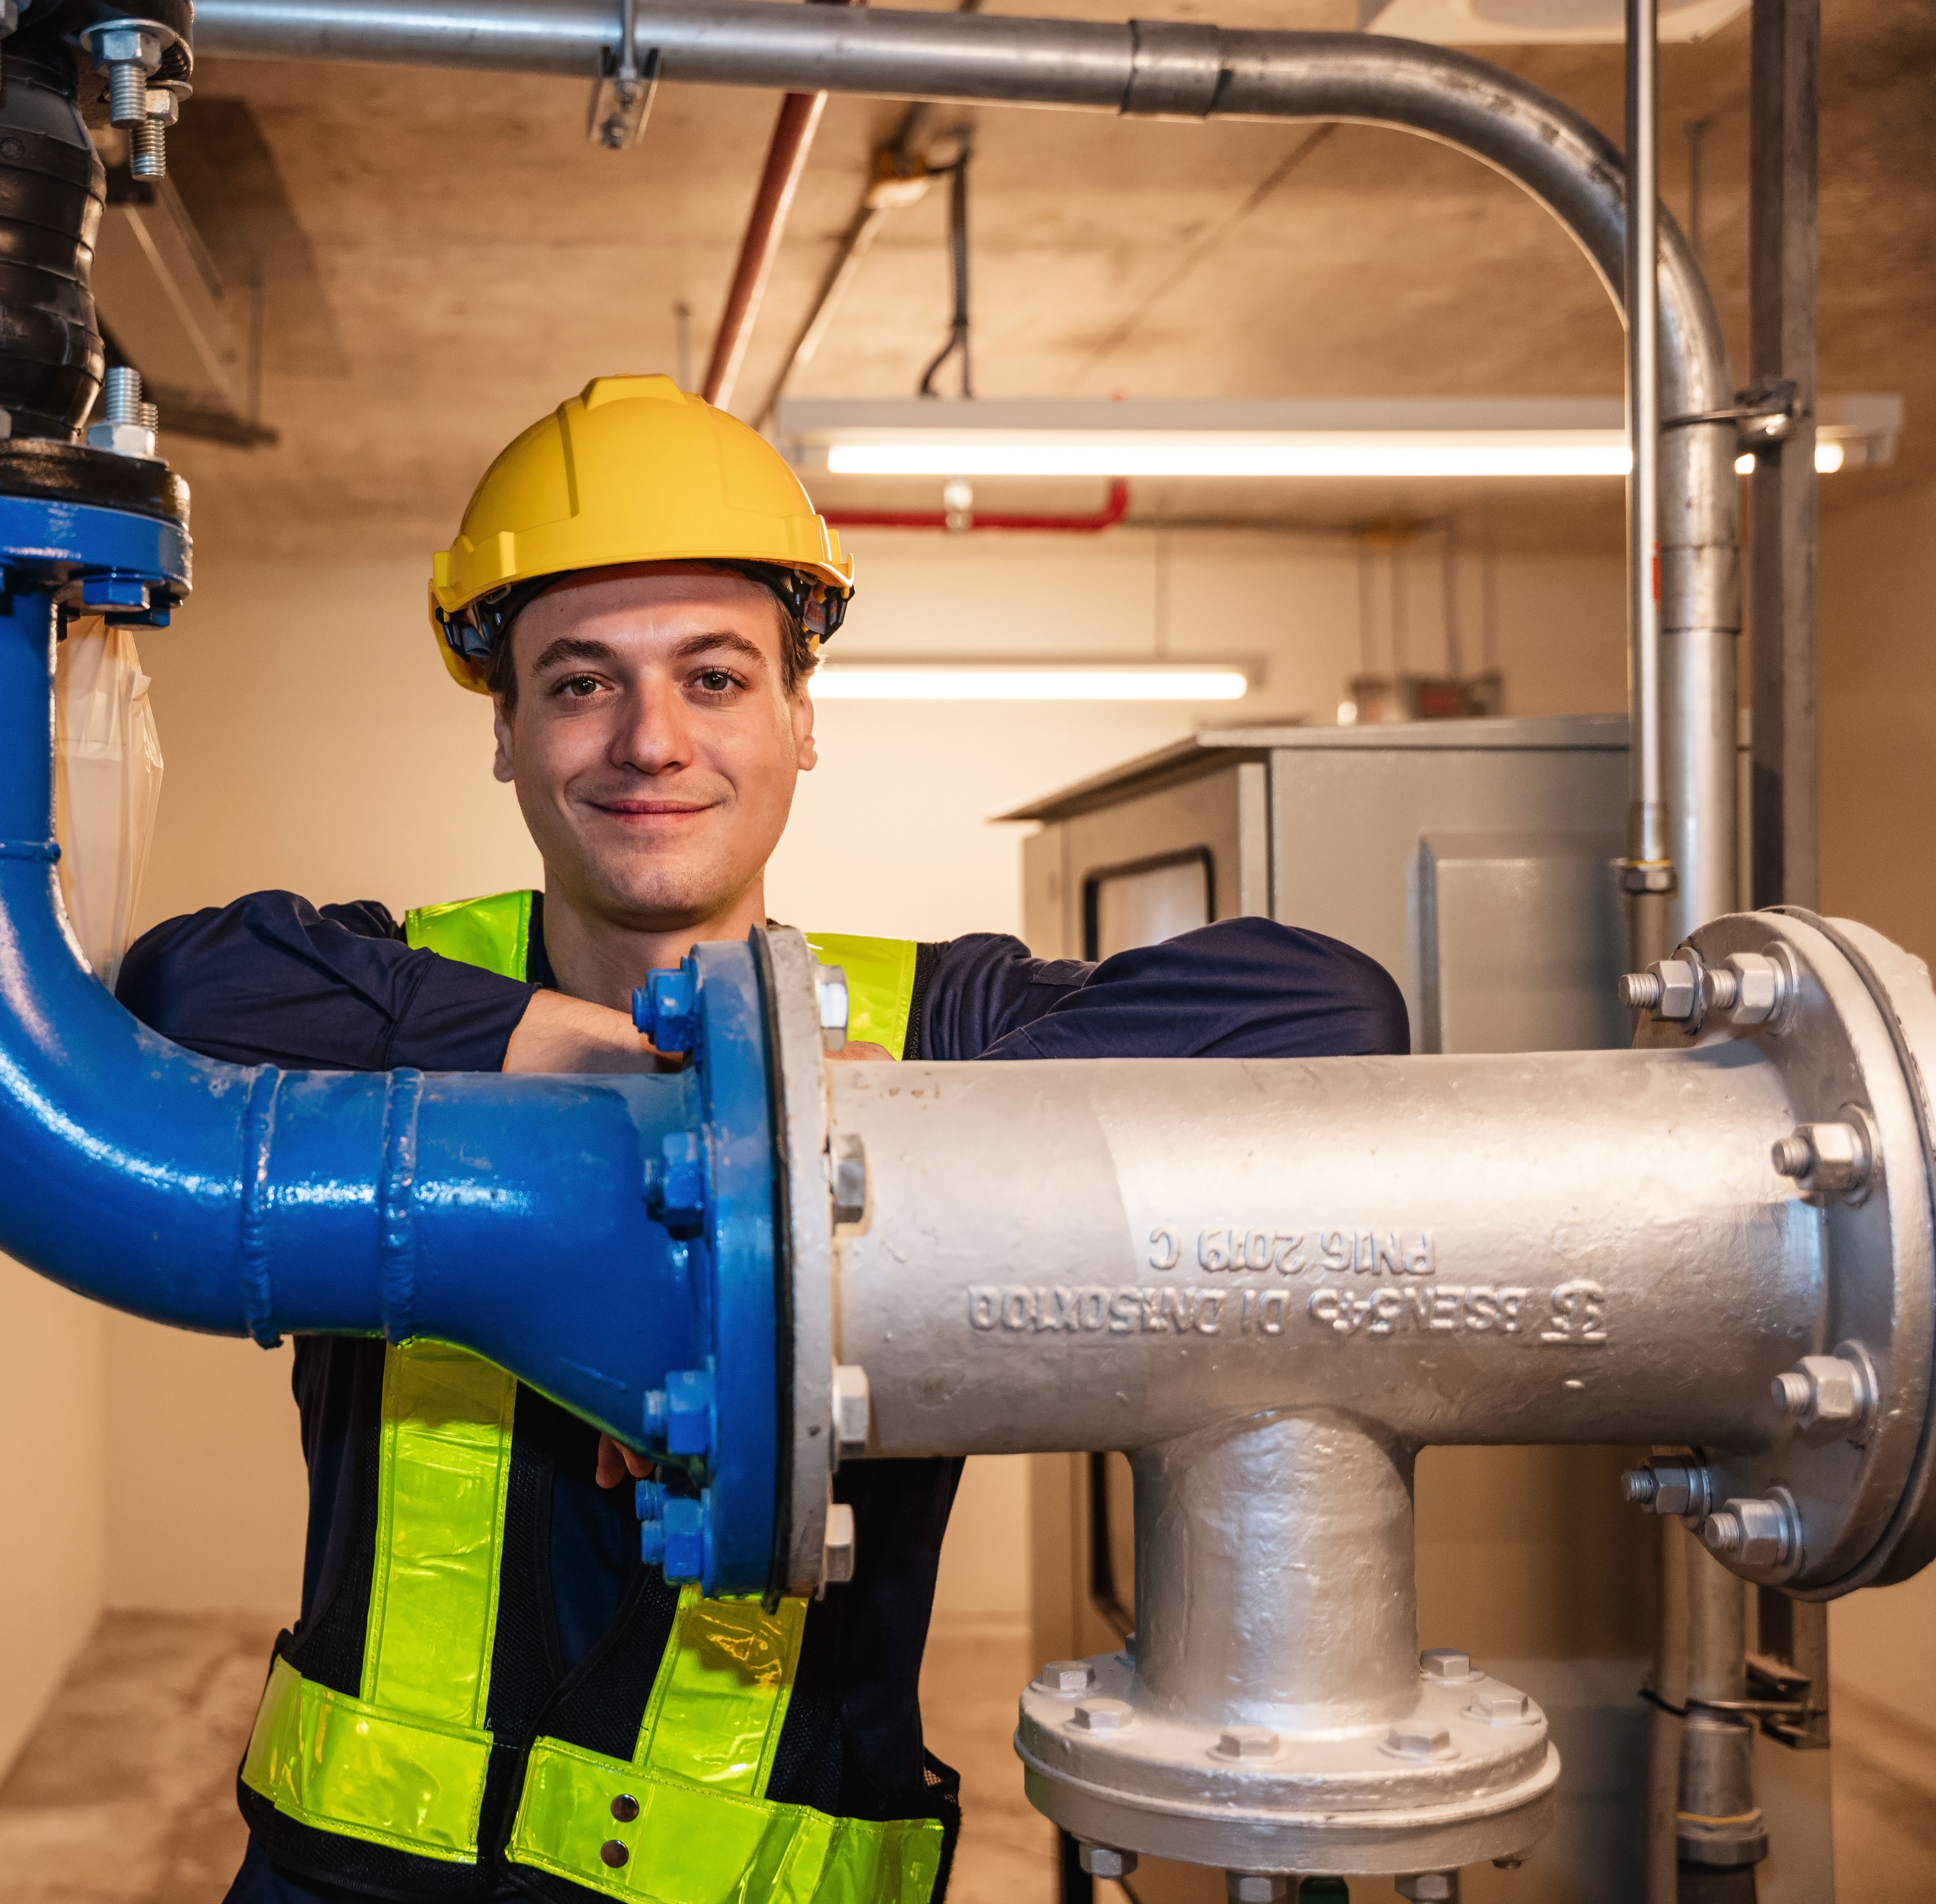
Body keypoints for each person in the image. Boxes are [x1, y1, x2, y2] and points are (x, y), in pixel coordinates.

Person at [116, 375, 1406, 1904]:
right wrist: (621, 1063)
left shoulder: (931, 1023)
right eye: (580, 682)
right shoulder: (409, 995)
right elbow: (179, 981)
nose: (648, 741)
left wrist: (858, 1104)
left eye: (714, 679)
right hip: (358, 1877)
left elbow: (1328, 1010)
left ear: (802, 720)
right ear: (506, 734)